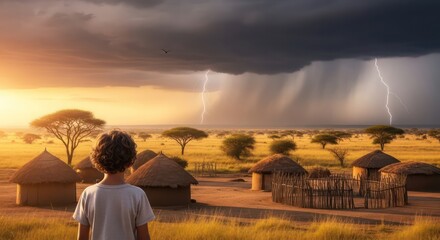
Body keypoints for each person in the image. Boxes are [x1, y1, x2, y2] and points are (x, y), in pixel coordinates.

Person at [73, 130, 155, 240]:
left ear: (96, 161)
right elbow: (143, 237)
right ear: (131, 161)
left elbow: (82, 237)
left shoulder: (88, 193)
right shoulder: (137, 194)